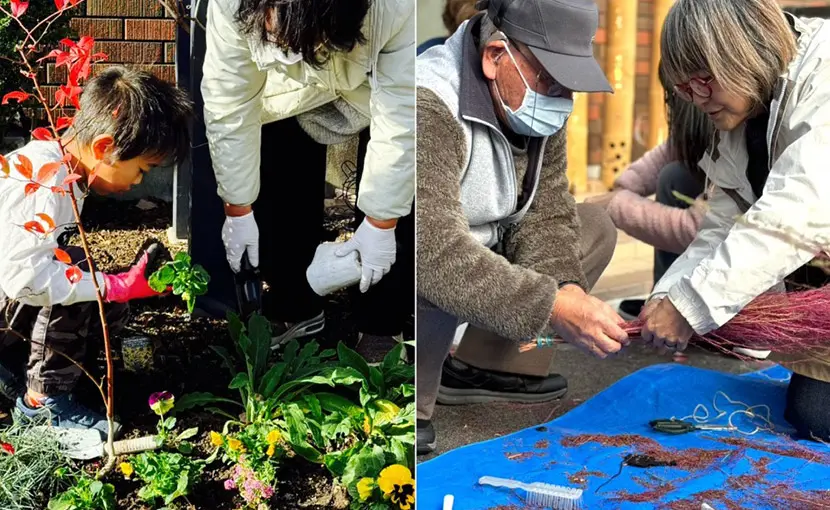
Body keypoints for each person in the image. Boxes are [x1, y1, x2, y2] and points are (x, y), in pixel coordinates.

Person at [416, 0, 627, 454]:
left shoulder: (535, 100)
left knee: (593, 226)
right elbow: (431, 251)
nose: (560, 98)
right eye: (550, 78)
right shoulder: (429, 102)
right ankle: (414, 398)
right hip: (427, 256)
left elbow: (546, 211)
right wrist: (550, 307)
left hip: (485, 247)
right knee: (429, 267)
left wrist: (566, 290)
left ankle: (488, 365)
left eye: (569, 83)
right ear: (495, 57)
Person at [640, 0, 830, 441]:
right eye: (685, 88)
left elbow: (796, 213)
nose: (697, 99)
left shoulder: (823, 79)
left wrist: (689, 308)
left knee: (818, 420)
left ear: (743, 50)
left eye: (704, 80)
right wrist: (669, 295)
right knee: (812, 416)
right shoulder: (748, 107)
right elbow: (723, 224)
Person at [198, 0, 415, 351]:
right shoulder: (231, 6)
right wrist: (238, 208)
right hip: (286, 87)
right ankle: (294, 302)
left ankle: (381, 318)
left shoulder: (398, 8)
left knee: (402, 180)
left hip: (376, 72)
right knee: (275, 147)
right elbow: (230, 104)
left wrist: (381, 223)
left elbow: (403, 115)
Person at [0, 67, 192, 437]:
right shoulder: (46, 181)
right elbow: (27, 279)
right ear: (104, 147)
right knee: (73, 270)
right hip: (10, 294)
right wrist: (113, 286)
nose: (139, 180)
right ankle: (44, 406)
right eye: (141, 169)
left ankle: (60, 373)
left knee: (79, 269)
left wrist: (119, 292)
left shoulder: (66, 173)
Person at [585, 64, 711, 299]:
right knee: (675, 174)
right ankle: (663, 295)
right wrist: (625, 185)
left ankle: (678, 303)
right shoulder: (705, 126)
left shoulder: (733, 130)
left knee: (673, 177)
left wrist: (617, 205)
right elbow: (677, 147)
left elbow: (699, 228)